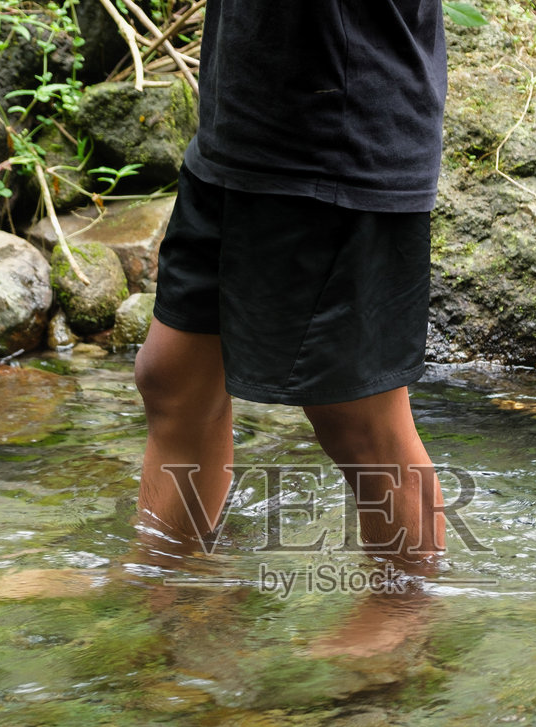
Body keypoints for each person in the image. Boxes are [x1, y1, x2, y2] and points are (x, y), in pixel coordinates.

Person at [133, 0, 450, 568]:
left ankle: (406, 608)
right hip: (239, 127)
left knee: (359, 418)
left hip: (337, 140)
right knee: (175, 378)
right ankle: (169, 572)